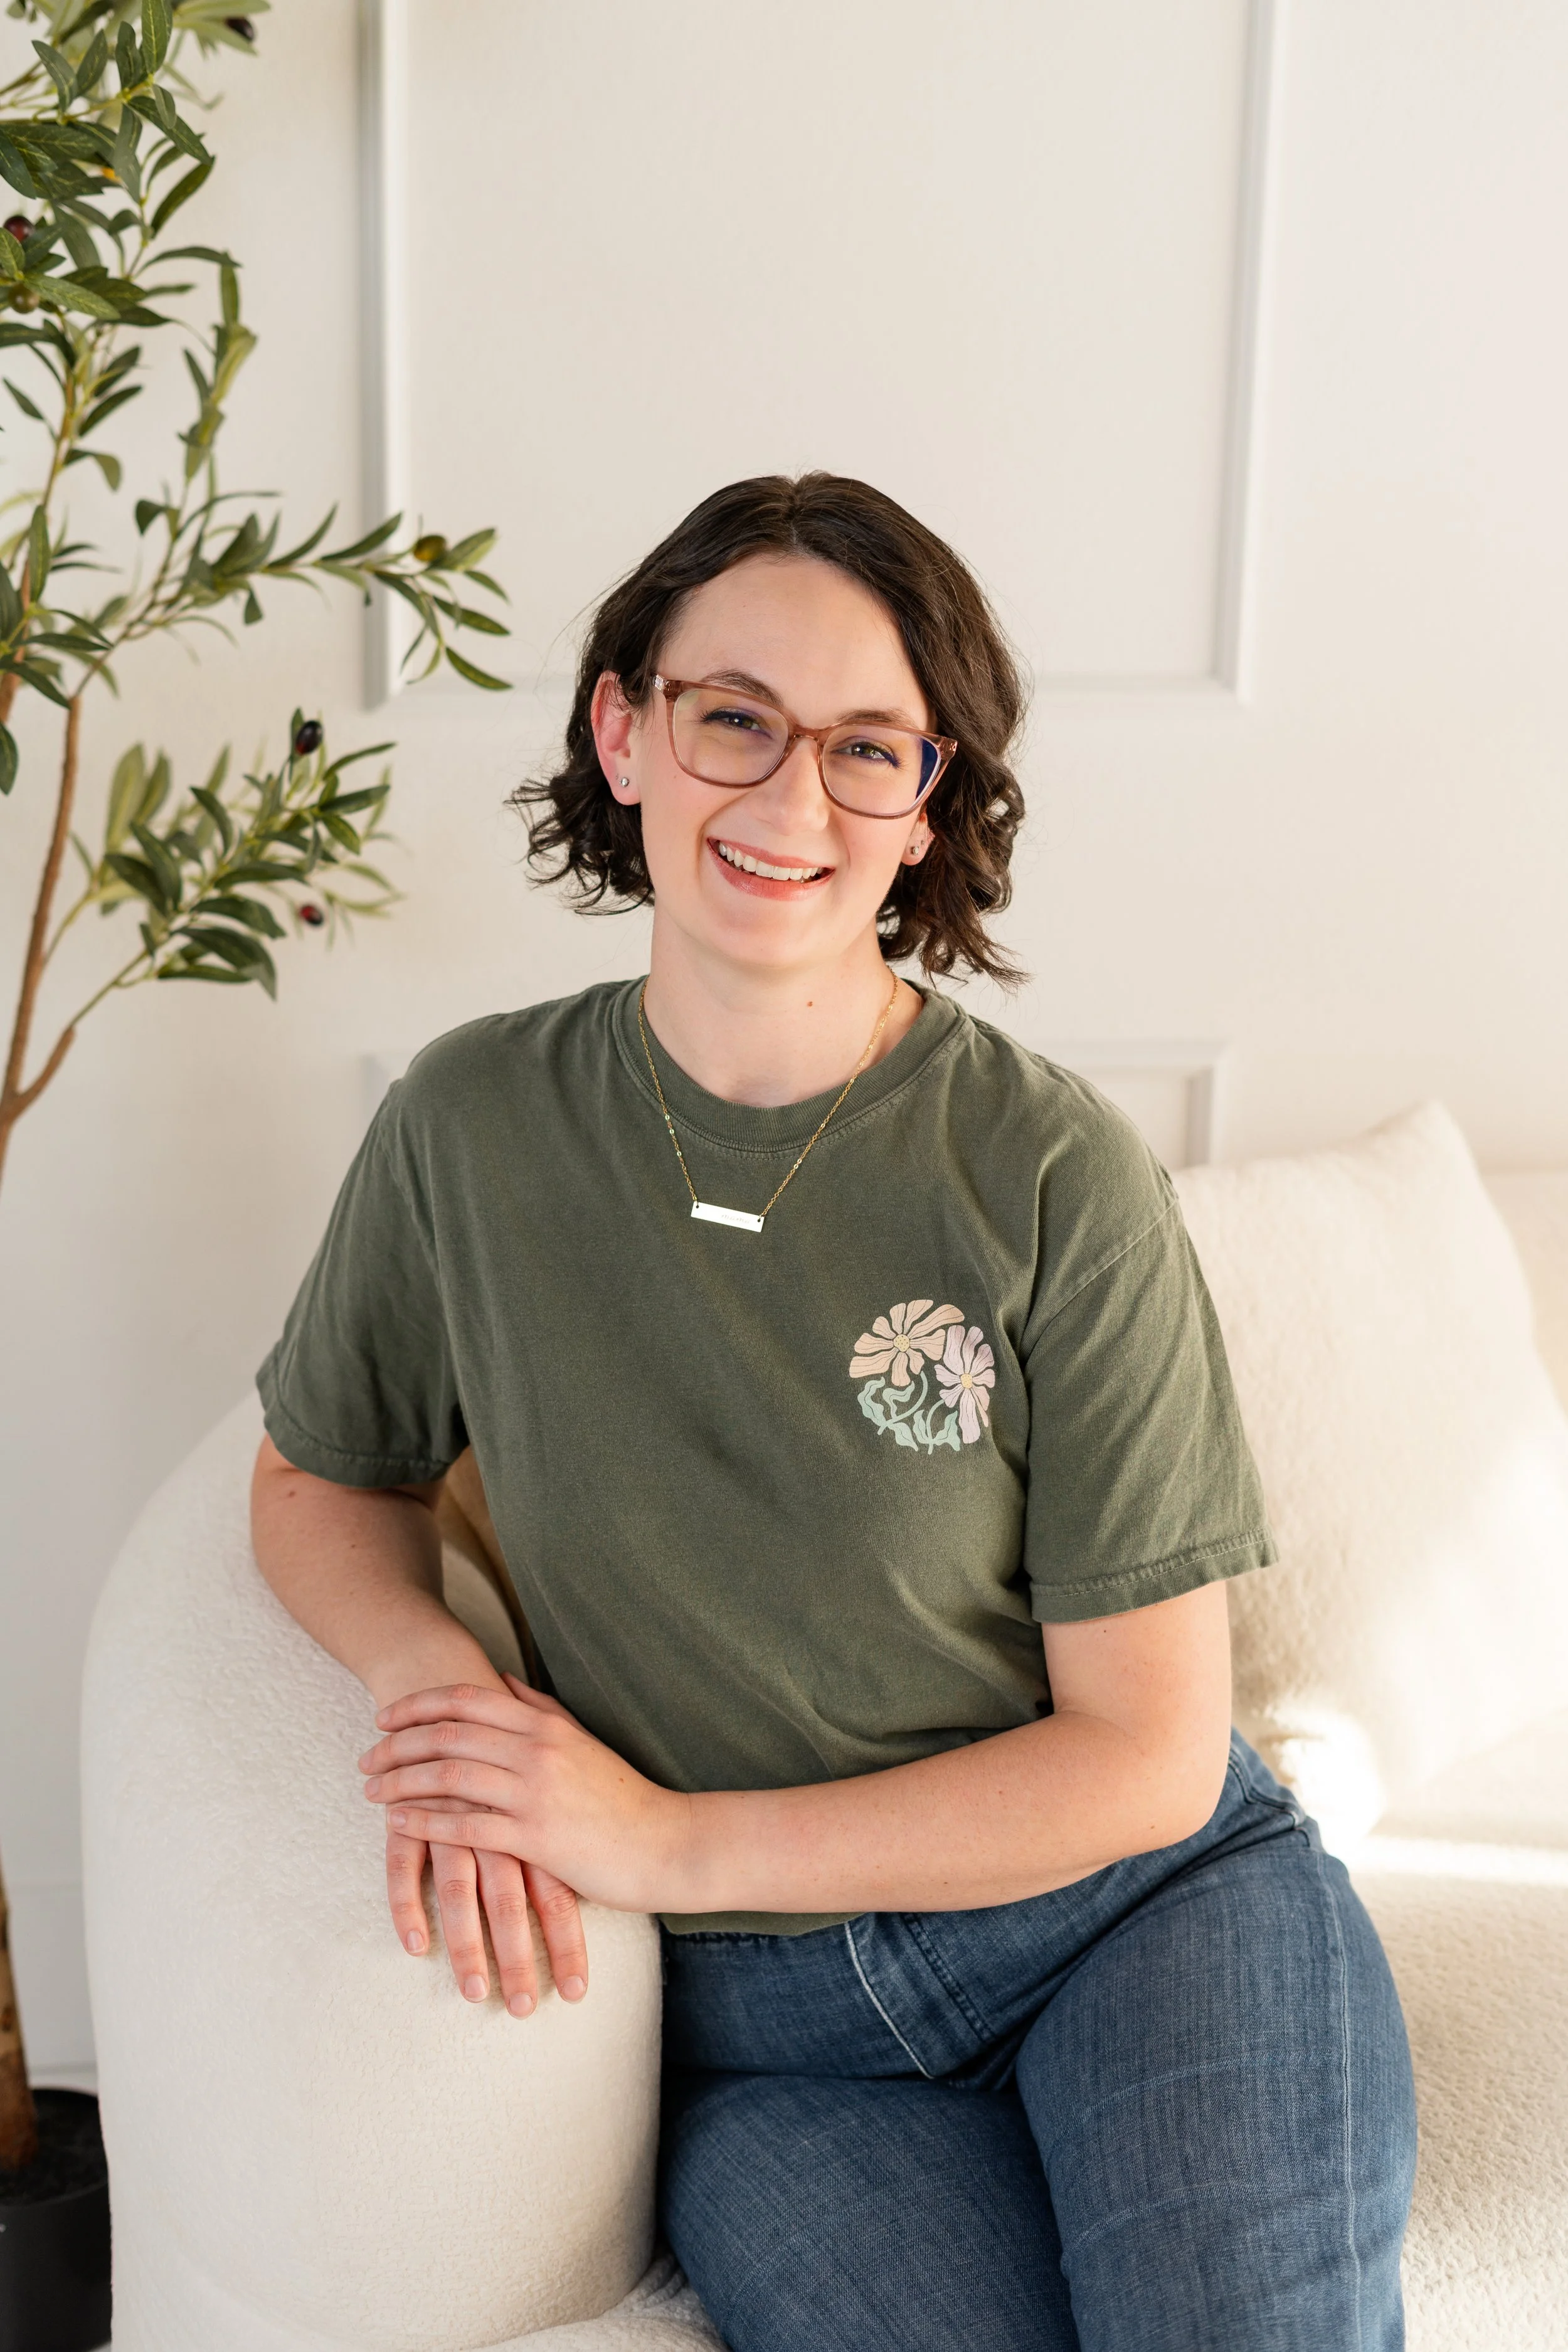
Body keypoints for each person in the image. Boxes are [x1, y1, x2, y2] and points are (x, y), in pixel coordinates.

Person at [250, 472, 1417, 2351]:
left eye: (866, 747)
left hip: (1142, 1918)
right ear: (620, 731)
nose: (792, 802)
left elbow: (1139, 1752)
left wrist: (660, 1842)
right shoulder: (466, 1128)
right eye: (734, 718)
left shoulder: (1045, 1169)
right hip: (783, 2054)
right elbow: (321, 1472)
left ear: (926, 798)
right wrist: (431, 1685)